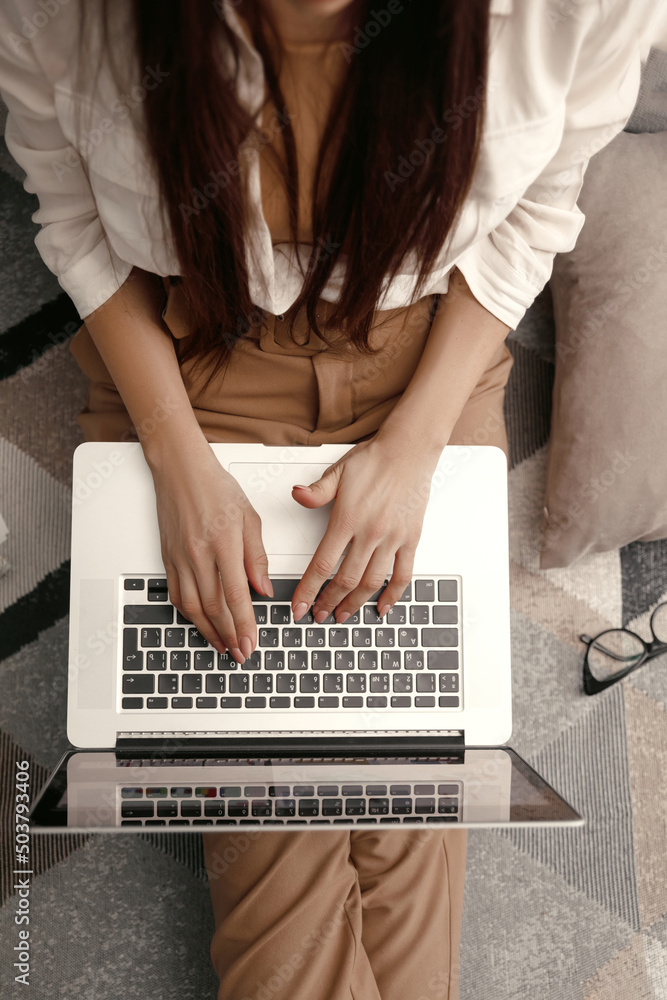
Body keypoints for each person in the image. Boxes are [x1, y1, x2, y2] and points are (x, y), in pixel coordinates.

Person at [0, 0, 660, 996]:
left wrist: (413, 446)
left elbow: (539, 207)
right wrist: (179, 463)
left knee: (409, 765)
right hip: (192, 357)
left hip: (428, 358)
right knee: (285, 839)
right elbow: (72, 212)